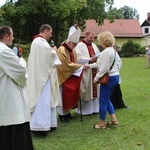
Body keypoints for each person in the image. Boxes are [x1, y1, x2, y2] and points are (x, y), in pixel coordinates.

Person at [0, 26, 33, 149]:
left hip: (4, 94)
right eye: (12, 35)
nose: (13, 38)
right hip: (10, 96)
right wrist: (23, 62)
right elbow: (20, 72)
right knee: (15, 128)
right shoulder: (4, 51)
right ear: (6, 36)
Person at [26, 24, 62, 135]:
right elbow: (49, 55)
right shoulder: (39, 41)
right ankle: (40, 126)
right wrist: (55, 51)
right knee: (43, 100)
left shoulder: (38, 42)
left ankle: (49, 123)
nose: (51, 36)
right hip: (42, 78)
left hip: (43, 75)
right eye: (50, 33)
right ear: (45, 31)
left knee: (47, 100)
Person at [57, 26, 89, 123]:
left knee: (69, 96)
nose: (74, 46)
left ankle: (68, 113)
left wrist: (80, 65)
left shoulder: (72, 50)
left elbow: (74, 61)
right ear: (69, 42)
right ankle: (62, 115)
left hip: (71, 75)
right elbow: (65, 65)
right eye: (74, 44)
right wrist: (80, 67)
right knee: (63, 96)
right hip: (63, 76)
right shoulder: (62, 49)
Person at [93, 31, 119, 129]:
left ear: (103, 41)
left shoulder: (105, 52)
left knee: (103, 100)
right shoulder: (113, 51)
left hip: (109, 78)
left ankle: (101, 123)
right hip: (115, 76)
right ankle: (113, 120)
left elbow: (104, 68)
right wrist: (90, 65)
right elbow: (102, 65)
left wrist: (96, 78)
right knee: (107, 99)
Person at [75, 31, 100, 115]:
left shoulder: (94, 45)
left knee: (95, 90)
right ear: (86, 36)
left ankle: (95, 109)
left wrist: (96, 58)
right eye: (91, 37)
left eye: (93, 38)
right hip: (86, 71)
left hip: (94, 70)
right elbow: (77, 58)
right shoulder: (80, 45)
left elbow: (98, 55)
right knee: (87, 90)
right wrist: (89, 59)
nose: (92, 39)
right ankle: (86, 110)